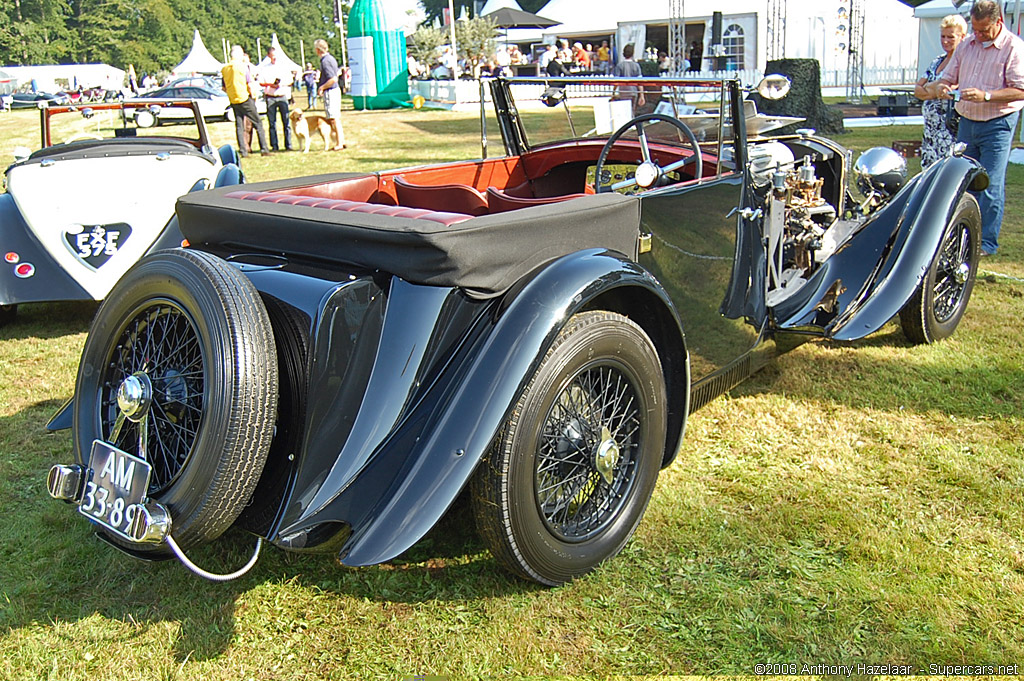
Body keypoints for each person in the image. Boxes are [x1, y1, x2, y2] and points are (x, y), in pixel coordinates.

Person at [928, 0, 1024, 255]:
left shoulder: (1014, 48)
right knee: (964, 180)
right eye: (976, 30)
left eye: (984, 30)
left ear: (998, 23)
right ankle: (962, 233)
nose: (979, 35)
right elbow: (947, 77)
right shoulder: (967, 46)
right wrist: (943, 87)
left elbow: (1020, 89)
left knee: (990, 184)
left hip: (998, 124)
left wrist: (987, 96)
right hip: (968, 123)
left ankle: (987, 243)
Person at [914, 14, 968, 168]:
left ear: (962, 37)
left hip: (948, 131)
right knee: (928, 172)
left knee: (946, 172)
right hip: (930, 131)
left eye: (950, 37)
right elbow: (917, 89)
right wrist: (934, 88)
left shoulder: (963, 62)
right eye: (943, 36)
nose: (945, 41)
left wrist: (929, 88)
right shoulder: (937, 61)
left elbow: (949, 88)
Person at [222, 44, 270, 157]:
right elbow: (249, 83)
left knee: (239, 126)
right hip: (245, 98)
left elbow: (224, 87)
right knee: (258, 122)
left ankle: (243, 151)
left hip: (233, 100)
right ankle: (264, 149)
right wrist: (253, 96)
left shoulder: (225, 68)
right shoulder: (243, 66)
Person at [259, 46, 294, 151]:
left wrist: (281, 84)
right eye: (272, 57)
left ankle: (288, 145)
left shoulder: (284, 67)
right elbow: (261, 82)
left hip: (282, 96)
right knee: (272, 123)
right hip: (270, 97)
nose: (275, 59)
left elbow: (290, 81)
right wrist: (270, 84)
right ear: (268, 56)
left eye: (276, 57)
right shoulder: (265, 68)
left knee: (286, 122)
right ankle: (274, 146)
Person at [314, 38, 346, 151]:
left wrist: (322, 87)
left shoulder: (325, 61)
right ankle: (341, 140)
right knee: (335, 117)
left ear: (318, 50)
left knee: (333, 118)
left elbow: (333, 79)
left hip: (331, 91)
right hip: (335, 91)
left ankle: (339, 143)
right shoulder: (331, 58)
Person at [612, 43, 645, 111]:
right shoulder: (636, 66)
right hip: (633, 92)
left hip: (623, 92)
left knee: (624, 112)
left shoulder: (620, 66)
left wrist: (613, 93)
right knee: (632, 111)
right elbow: (640, 82)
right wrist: (642, 95)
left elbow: (616, 81)